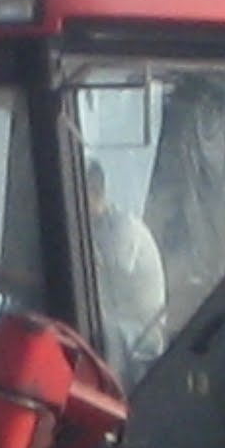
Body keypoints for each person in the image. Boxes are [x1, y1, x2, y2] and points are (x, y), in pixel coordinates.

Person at [86, 159, 167, 381]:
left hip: (144, 330)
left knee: (98, 331)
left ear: (94, 192)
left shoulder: (123, 226)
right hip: (118, 319)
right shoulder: (91, 228)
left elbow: (101, 276)